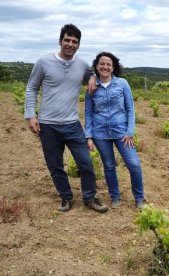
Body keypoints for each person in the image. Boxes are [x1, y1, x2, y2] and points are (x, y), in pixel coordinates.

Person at [24, 24, 108, 213]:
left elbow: (92, 75)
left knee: (85, 163)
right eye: (67, 40)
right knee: (55, 165)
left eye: (74, 42)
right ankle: (66, 197)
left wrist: (93, 77)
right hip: (47, 125)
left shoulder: (82, 65)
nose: (70, 44)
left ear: (78, 45)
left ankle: (89, 197)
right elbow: (31, 88)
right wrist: (31, 115)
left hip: (72, 124)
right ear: (60, 41)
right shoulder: (43, 62)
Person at [84, 52, 146, 210]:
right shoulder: (92, 87)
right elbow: (88, 113)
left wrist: (130, 132)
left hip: (122, 133)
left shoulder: (122, 84)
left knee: (134, 164)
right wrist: (89, 136)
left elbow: (130, 109)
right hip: (100, 134)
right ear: (97, 66)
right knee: (109, 165)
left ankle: (139, 198)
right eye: (102, 64)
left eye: (108, 64)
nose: (105, 67)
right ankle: (115, 197)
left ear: (113, 67)